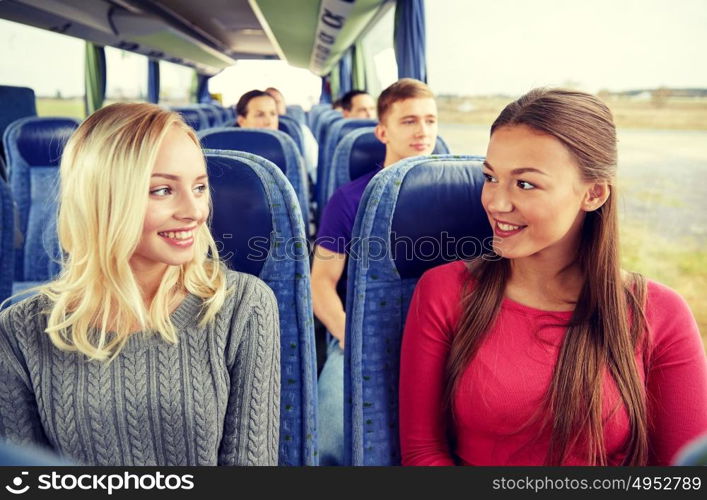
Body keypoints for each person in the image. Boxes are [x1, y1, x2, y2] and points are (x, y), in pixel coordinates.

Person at [399, 88, 707, 466]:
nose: (496, 203)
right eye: (491, 177)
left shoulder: (660, 314)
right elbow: (423, 452)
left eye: (525, 183)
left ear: (593, 194)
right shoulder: (444, 291)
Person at [0, 102, 281, 466]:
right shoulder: (19, 333)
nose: (195, 211)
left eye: (199, 187)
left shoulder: (244, 305)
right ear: (103, 200)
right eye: (162, 190)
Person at [312, 78, 438, 465]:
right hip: (361, 330)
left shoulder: (463, 193)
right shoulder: (349, 199)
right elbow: (321, 285)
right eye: (409, 121)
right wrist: (350, 336)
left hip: (443, 336)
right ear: (382, 131)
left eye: (431, 121)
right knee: (331, 440)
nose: (423, 131)